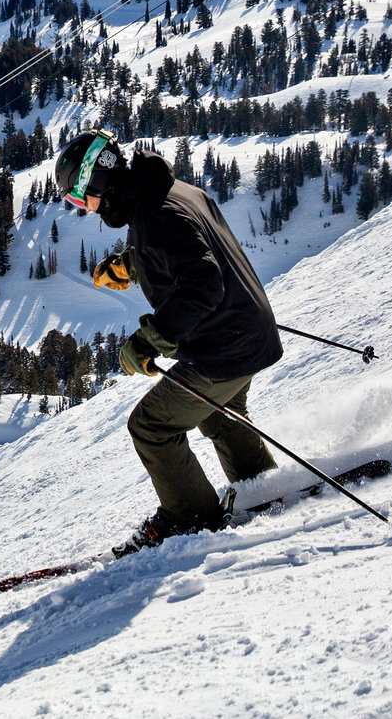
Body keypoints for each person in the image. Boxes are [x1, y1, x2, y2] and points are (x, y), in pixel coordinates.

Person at [53, 129, 283, 555]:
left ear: (96, 181)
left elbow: (202, 282)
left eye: (79, 198)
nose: (84, 209)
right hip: (249, 329)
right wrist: (134, 264)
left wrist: (149, 340)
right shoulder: (171, 191)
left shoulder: (156, 215)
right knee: (219, 413)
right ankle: (261, 486)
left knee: (151, 426)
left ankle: (190, 517)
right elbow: (192, 248)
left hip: (224, 346)